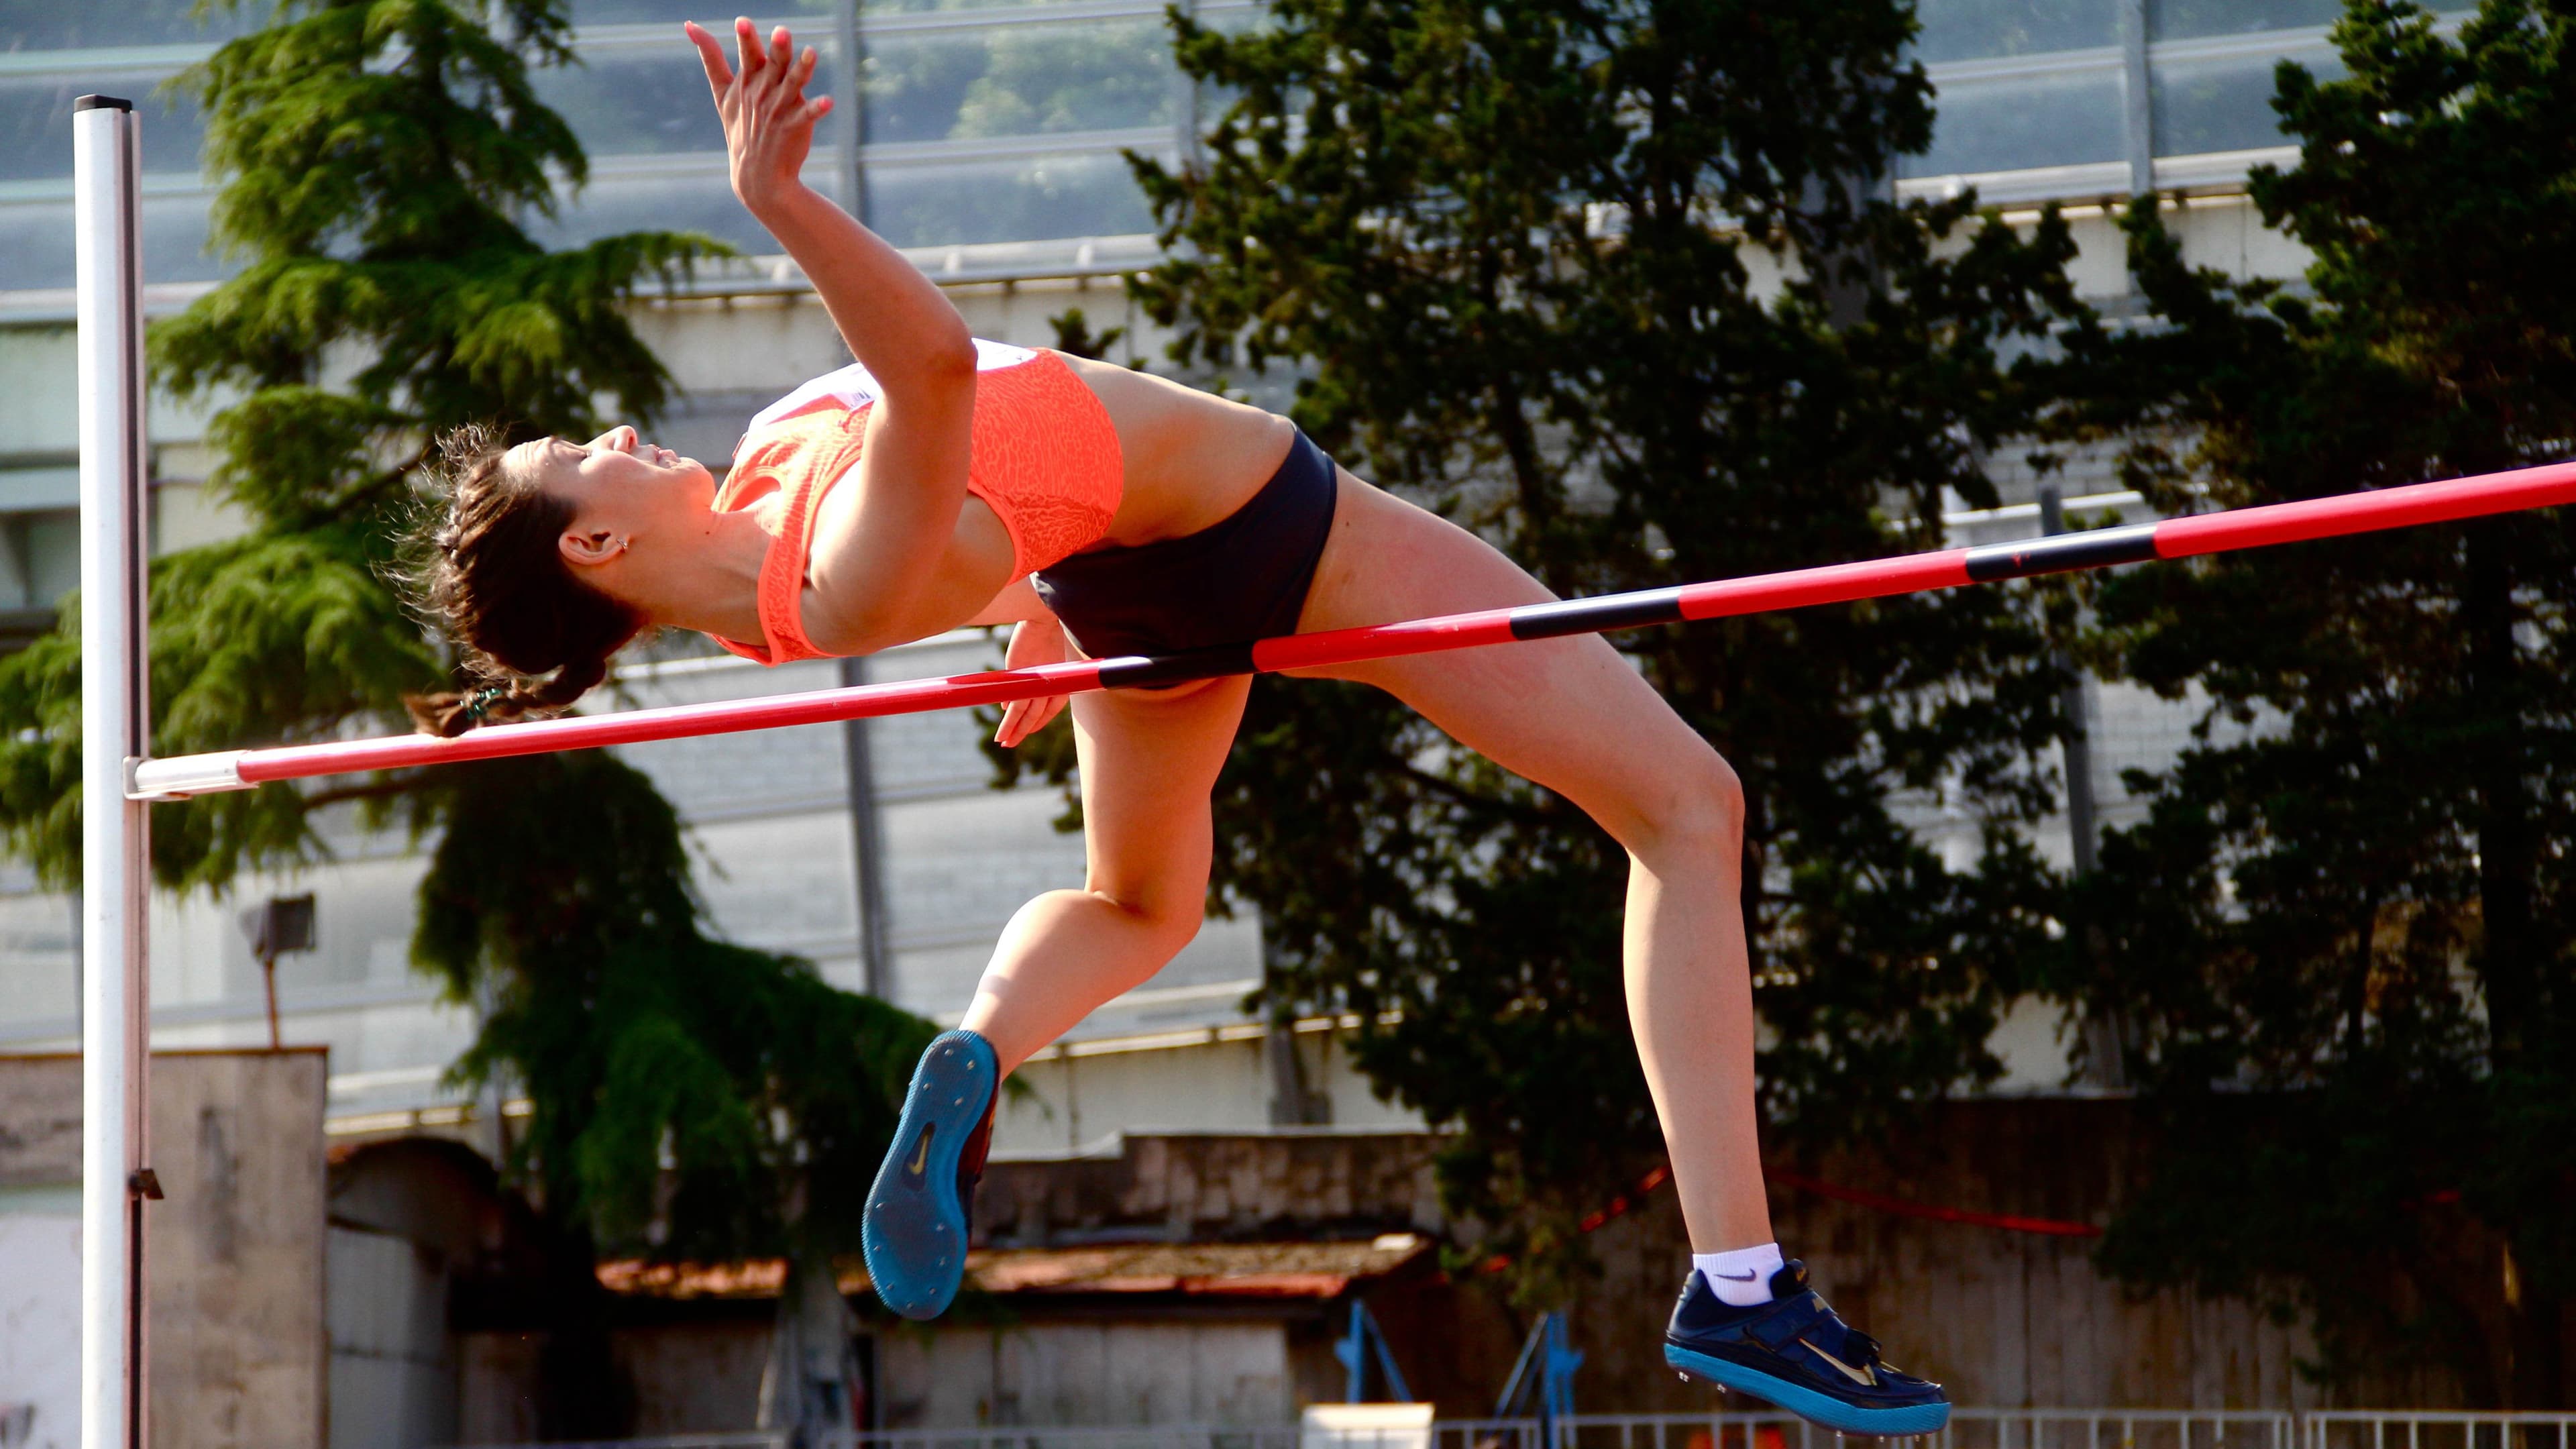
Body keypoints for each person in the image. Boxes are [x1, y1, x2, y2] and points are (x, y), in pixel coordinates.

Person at [407, 17, 1947, 1433]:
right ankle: (1741, 1287)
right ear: (596, 551)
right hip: (1262, 527)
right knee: (1685, 806)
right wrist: (783, 203)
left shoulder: (783, 524)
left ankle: (979, 1046)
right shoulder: (835, 569)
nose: (611, 428)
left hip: (1115, 589)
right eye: (579, 455)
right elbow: (939, 371)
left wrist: (1020, 598)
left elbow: (994, 467)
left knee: (1140, 901)